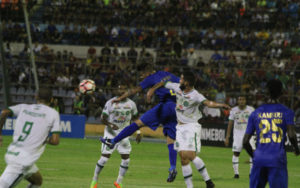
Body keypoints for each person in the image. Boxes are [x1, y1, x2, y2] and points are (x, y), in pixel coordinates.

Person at [147, 71, 231, 188]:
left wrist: (221, 105)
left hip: (191, 127)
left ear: (186, 82)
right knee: (182, 158)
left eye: (181, 79)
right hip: (180, 127)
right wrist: (152, 90)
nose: (179, 81)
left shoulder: (196, 95)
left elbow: (208, 103)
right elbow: (164, 83)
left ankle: (208, 181)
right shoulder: (177, 88)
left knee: (190, 155)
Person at [100, 63, 180, 182]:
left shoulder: (151, 78)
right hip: (177, 109)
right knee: (170, 139)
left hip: (166, 106)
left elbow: (134, 90)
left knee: (138, 123)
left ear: (148, 71)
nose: (142, 77)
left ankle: (113, 141)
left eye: (142, 74)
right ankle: (173, 167)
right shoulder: (169, 75)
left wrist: (120, 98)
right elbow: (181, 84)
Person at [243, 79, 300, 188]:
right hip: (277, 159)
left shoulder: (256, 113)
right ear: (282, 93)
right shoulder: (287, 112)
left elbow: (245, 142)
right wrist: (297, 149)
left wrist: (254, 156)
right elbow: (292, 135)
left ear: (266, 92)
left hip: (259, 158)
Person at [0, 88, 61, 188]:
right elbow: (55, 141)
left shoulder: (24, 107)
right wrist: (44, 139)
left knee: (37, 181)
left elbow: (4, 112)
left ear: (36, 97)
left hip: (13, 152)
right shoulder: (53, 113)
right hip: (22, 161)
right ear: (52, 100)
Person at [90, 84, 141, 188]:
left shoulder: (131, 104)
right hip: (110, 133)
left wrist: (138, 132)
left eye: (123, 89)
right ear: (116, 91)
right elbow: (103, 118)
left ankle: (118, 182)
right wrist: (110, 124)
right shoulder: (110, 103)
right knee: (104, 159)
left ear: (127, 91)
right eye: (119, 89)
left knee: (126, 159)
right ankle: (94, 181)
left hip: (124, 134)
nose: (121, 91)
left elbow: (136, 118)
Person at [225, 94, 255, 178]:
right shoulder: (233, 110)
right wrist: (227, 137)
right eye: (240, 99)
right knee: (236, 153)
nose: (241, 101)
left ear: (245, 101)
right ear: (238, 101)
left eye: (243, 99)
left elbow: (256, 122)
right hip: (237, 135)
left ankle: (251, 173)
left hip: (249, 134)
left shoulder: (251, 110)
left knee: (252, 153)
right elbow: (230, 124)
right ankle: (236, 174)